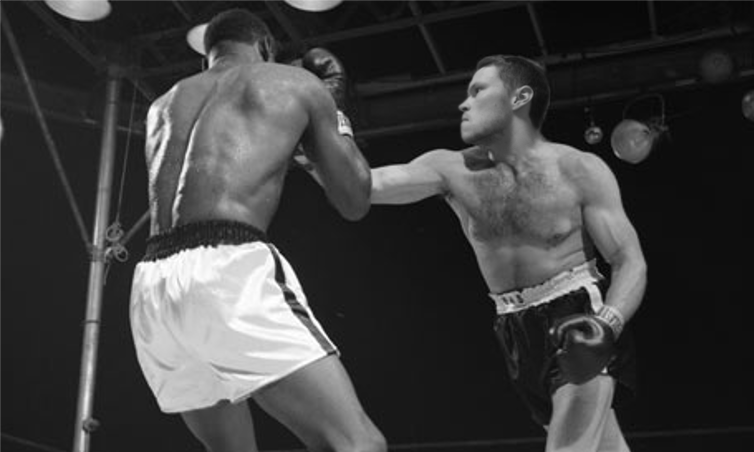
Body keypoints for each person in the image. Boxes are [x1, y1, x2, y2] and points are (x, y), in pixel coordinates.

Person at [129, 8, 386, 452]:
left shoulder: (163, 105)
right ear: (265, 47)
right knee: (357, 443)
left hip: (152, 289)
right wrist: (336, 108)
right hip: (227, 273)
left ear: (208, 55)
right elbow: (355, 199)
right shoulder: (294, 84)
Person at [369, 55, 647, 451]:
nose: (463, 104)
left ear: (520, 97)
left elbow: (628, 259)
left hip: (578, 313)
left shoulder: (578, 168)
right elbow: (364, 187)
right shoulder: (452, 169)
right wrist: (322, 129)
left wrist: (607, 324)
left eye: (477, 90)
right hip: (513, 328)